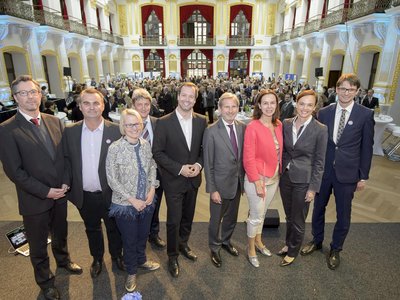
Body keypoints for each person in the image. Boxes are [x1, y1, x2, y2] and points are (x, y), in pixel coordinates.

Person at [0, 75, 82, 300]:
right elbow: (14, 172)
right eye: (24, 93)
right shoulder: (6, 130)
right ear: (15, 97)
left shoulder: (54, 121)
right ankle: (46, 282)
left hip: (60, 194)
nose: (30, 97)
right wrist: (46, 191)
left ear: (40, 94)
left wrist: (65, 182)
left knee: (61, 234)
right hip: (34, 199)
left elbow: (65, 157)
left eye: (33, 92)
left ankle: (63, 262)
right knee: (37, 245)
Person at [301, 73, 374, 270]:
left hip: (348, 174)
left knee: (343, 214)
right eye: (342, 88)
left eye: (351, 89)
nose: (346, 93)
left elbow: (367, 148)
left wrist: (363, 176)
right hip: (324, 172)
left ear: (357, 91)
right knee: (318, 209)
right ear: (336, 89)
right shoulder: (324, 112)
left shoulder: (365, 114)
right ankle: (316, 241)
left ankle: (336, 248)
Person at [62, 88, 124, 278]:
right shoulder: (70, 132)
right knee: (92, 228)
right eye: (86, 103)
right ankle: (97, 258)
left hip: (111, 193)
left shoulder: (116, 130)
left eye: (96, 103)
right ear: (80, 106)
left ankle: (117, 257)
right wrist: (66, 184)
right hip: (85, 194)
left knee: (114, 228)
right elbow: (66, 160)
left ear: (103, 105)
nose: (91, 107)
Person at [152, 82, 207, 278]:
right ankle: (172, 255)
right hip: (174, 181)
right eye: (184, 95)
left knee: (188, 218)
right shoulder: (164, 122)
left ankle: (184, 244)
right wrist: (180, 168)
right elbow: (157, 152)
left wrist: (199, 166)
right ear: (178, 96)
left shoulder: (202, 120)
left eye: (191, 96)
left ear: (195, 99)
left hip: (193, 180)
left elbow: (203, 150)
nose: (187, 99)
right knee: (174, 220)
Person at [106, 109, 160, 292]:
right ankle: (131, 271)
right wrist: (131, 200)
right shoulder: (115, 148)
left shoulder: (145, 144)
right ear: (123, 126)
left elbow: (152, 166)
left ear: (141, 125)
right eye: (129, 124)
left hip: (146, 202)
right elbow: (112, 179)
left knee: (143, 236)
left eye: (136, 124)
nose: (133, 127)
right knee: (129, 240)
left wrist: (152, 189)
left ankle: (142, 260)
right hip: (125, 205)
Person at [278, 90, 328, 267]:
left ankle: (293, 251)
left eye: (309, 105)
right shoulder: (286, 123)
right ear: (295, 103)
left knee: (298, 218)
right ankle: (288, 243)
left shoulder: (320, 129)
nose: (304, 108)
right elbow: (283, 150)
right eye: (301, 104)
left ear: (314, 107)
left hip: (304, 180)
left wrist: (313, 188)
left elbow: (320, 161)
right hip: (285, 177)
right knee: (289, 215)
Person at [203, 92, 246, 268]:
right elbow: (208, 162)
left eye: (233, 106)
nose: (230, 110)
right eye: (226, 107)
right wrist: (212, 189)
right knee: (216, 219)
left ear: (238, 108)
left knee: (232, 217)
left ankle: (226, 241)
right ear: (220, 109)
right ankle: (214, 247)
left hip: (237, 183)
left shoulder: (243, 127)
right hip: (219, 185)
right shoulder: (211, 131)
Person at [243, 89, 283, 268]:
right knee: (255, 216)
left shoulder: (279, 124)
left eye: (272, 103)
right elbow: (248, 157)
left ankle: (259, 242)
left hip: (274, 178)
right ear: (259, 105)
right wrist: (257, 182)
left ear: (276, 105)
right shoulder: (253, 126)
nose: (269, 106)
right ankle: (251, 248)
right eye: (265, 103)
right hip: (257, 179)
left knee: (263, 214)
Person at [131, 88, 166, 249]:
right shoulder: (126, 124)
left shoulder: (158, 123)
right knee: (136, 206)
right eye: (140, 104)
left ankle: (154, 234)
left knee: (154, 205)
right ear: (133, 105)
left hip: (156, 173)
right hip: (134, 174)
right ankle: (137, 236)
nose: (144, 108)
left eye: (147, 104)